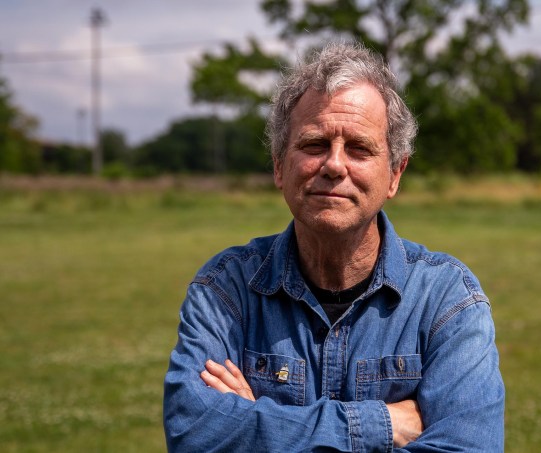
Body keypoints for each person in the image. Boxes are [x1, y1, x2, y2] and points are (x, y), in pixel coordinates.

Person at [163, 42, 505, 452]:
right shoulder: (225, 290)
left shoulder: (447, 299)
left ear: (395, 174)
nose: (335, 164)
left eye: (359, 148)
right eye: (314, 144)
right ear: (278, 165)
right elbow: (194, 435)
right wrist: (381, 426)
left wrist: (260, 426)